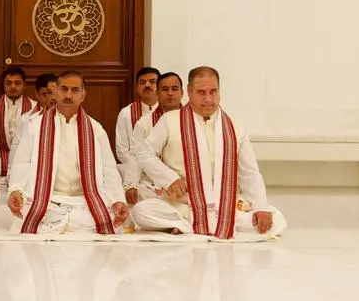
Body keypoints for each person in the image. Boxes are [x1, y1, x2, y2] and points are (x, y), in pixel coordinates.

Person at [131, 66, 288, 239]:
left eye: (213, 92)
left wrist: (260, 207)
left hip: (226, 206)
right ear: (189, 92)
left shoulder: (234, 127)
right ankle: (189, 223)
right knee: (140, 211)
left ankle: (186, 227)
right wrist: (169, 178)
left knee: (276, 219)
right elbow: (144, 153)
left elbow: (249, 172)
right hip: (184, 204)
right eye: (201, 92)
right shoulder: (170, 120)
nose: (208, 99)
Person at [7, 70, 128, 234]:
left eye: (75, 90)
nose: (69, 95)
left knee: (109, 215)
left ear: (83, 95)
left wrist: (118, 199)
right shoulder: (35, 126)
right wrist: (16, 189)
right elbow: (22, 162)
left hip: (85, 201)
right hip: (48, 200)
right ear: (55, 92)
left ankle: (63, 224)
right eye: (64, 89)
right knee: (27, 211)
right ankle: (67, 223)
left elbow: (109, 168)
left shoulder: (95, 129)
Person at [123, 72, 184, 205]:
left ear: (182, 93)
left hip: (185, 184)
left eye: (174, 89)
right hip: (152, 185)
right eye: (165, 89)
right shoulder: (144, 123)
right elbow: (135, 155)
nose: (170, 94)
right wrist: (131, 184)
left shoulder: (193, 120)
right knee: (140, 201)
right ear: (157, 94)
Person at [0, 67, 33, 203]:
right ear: (3, 85)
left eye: (17, 83)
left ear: (24, 85)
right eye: (8, 83)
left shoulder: (33, 108)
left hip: (26, 176)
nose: (13, 87)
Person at [114, 67, 161, 167]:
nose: (147, 85)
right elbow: (122, 150)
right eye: (142, 82)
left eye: (152, 82)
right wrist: (139, 168)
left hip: (165, 171)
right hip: (136, 173)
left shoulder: (167, 112)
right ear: (137, 87)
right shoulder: (126, 113)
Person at [9, 72, 57, 162]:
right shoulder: (26, 119)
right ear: (37, 94)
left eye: (55, 93)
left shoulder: (66, 117)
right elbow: (16, 149)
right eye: (46, 93)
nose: (52, 97)